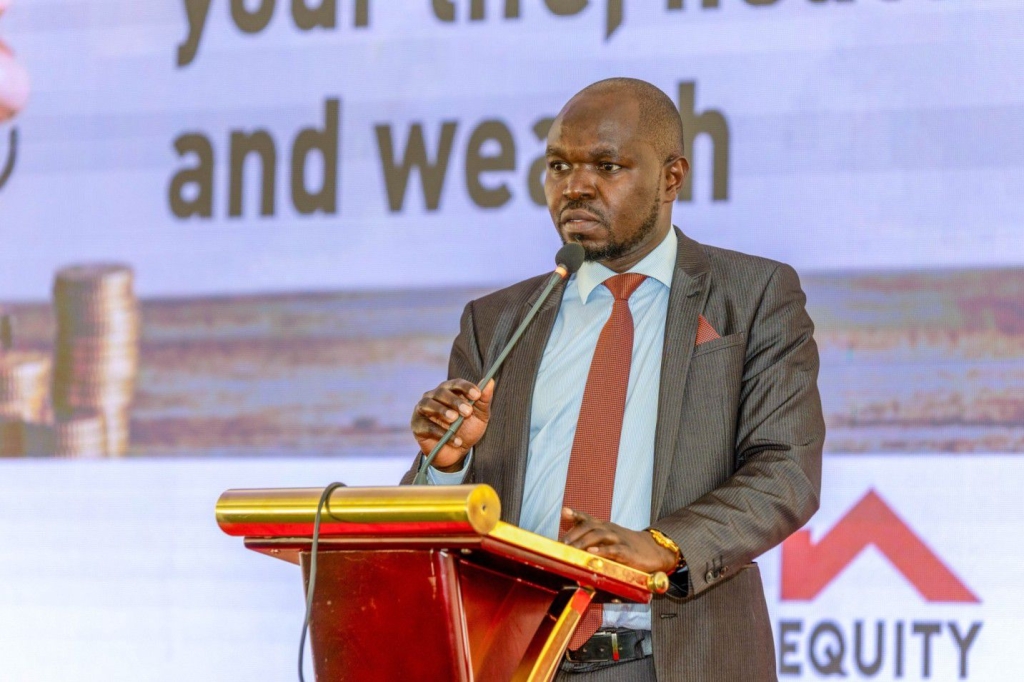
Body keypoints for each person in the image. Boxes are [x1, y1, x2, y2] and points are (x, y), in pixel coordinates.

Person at [404, 77, 824, 681]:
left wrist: (665, 545)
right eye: (557, 166)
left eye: (606, 165)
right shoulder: (497, 323)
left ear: (672, 178)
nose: (575, 187)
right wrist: (445, 463)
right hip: (517, 660)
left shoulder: (751, 297)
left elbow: (785, 469)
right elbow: (441, 525)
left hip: (675, 659)